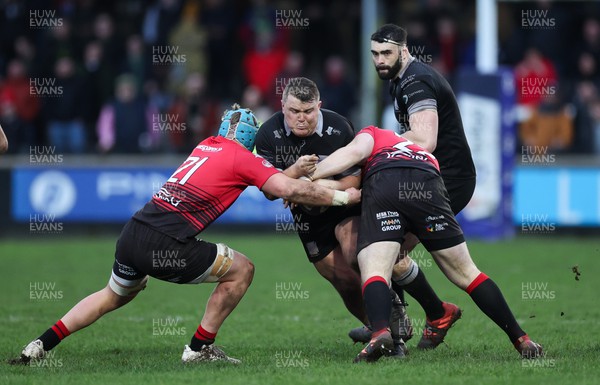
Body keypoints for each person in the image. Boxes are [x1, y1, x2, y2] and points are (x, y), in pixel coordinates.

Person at [10, 105, 360, 366]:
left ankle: (39, 345)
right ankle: (198, 349)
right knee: (243, 269)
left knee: (110, 296)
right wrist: (342, 196)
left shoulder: (205, 144)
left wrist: (293, 170)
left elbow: (269, 179)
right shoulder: (243, 158)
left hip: (133, 233)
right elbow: (287, 191)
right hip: (166, 243)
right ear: (251, 139)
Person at [310, 125, 543, 362]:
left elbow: (353, 153)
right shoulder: (419, 150)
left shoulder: (372, 132)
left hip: (386, 179)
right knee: (467, 273)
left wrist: (310, 176)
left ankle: (380, 333)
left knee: (376, 268)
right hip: (429, 181)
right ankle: (522, 339)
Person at [255, 77, 450, 352]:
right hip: (308, 218)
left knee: (358, 256)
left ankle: (418, 317)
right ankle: (380, 329)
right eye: (294, 112)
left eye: (308, 112)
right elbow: (270, 191)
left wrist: (310, 187)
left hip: (346, 205)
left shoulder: (338, 127)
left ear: (319, 107)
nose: (301, 119)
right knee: (344, 281)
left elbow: (352, 183)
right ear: (283, 107)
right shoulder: (268, 134)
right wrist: (296, 174)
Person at [348, 23, 478, 349]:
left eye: (386, 53)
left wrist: (375, 144)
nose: (379, 59)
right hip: (427, 178)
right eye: (375, 53)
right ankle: (402, 320)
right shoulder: (401, 80)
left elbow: (425, 141)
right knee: (388, 247)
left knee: (387, 248)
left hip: (446, 181)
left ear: (403, 51)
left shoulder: (415, 81)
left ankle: (407, 320)